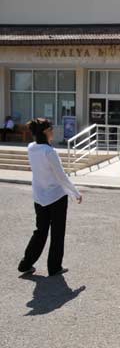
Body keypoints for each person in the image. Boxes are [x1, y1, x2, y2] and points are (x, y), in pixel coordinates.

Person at [18, 118, 82, 277]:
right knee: (57, 233)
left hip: (39, 196)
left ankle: (26, 263)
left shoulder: (31, 148)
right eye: (51, 128)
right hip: (56, 197)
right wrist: (75, 193)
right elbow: (61, 177)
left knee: (40, 231)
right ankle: (54, 267)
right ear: (46, 131)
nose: (53, 131)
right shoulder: (49, 152)